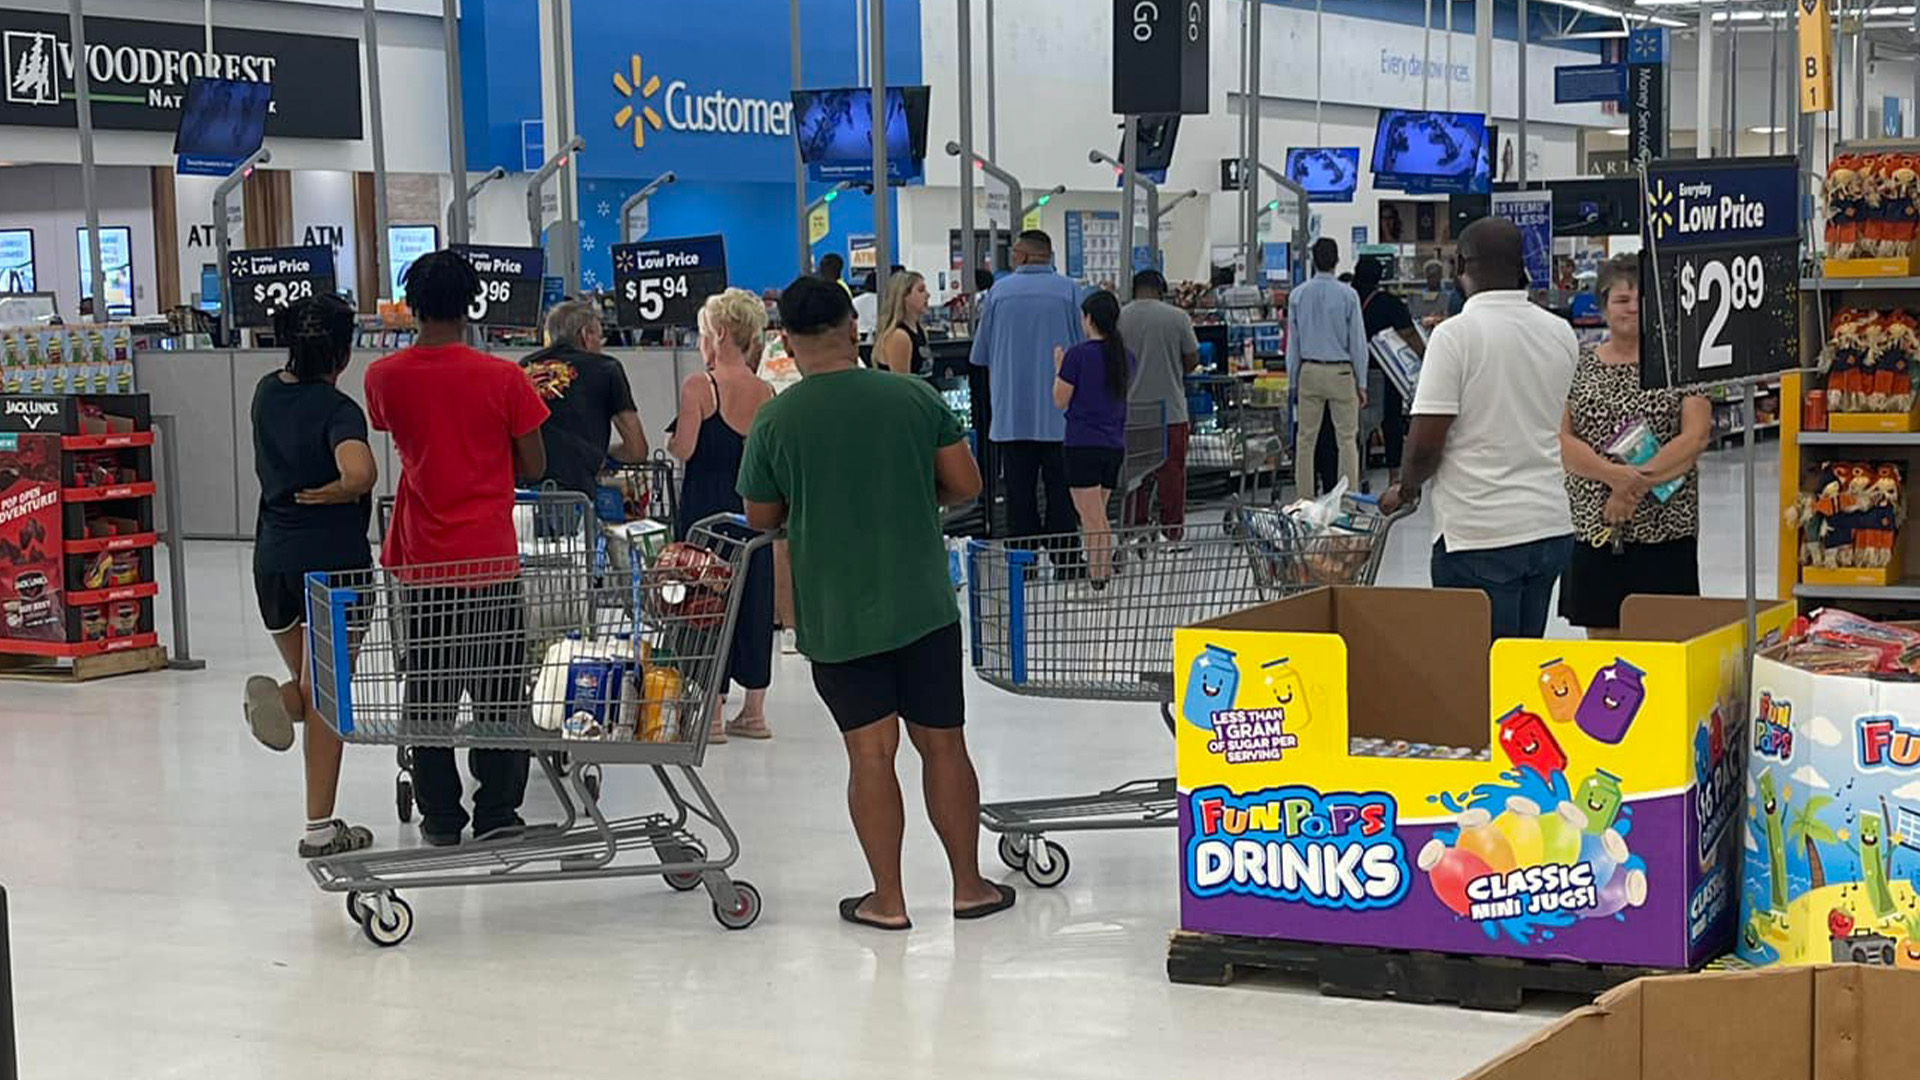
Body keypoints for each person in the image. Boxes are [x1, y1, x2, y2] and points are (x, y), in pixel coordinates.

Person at [739, 276, 1013, 931]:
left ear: (786, 341)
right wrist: (914, 498)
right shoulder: (912, 397)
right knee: (944, 746)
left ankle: (887, 900)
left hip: (836, 610)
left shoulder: (778, 417)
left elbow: (760, 516)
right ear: (853, 330)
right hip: (921, 601)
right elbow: (966, 484)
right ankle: (968, 886)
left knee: (870, 754)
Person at [365, 250, 550, 845]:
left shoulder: (384, 377)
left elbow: (400, 432)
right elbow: (535, 463)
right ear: (474, 305)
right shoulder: (504, 379)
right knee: (499, 690)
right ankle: (498, 811)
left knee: (428, 691)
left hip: (421, 559)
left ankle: (441, 816)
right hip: (489, 555)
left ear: (412, 306)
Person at [1379, 218, 1577, 641]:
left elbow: (1426, 443)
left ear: (1460, 265)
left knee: (1477, 675)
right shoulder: (1560, 332)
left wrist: (1405, 489)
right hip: (1549, 526)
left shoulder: (1454, 337)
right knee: (1519, 670)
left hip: (1480, 533)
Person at [241, 294, 378, 858]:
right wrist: (338, 491)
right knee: (326, 696)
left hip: (272, 560)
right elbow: (360, 470)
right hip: (334, 566)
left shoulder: (265, 393)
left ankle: (278, 697)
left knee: (313, 686)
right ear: (343, 352)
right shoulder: (339, 409)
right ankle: (319, 830)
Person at [1559, 253, 1710, 637]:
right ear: (1603, 306)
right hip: (1599, 530)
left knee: (1667, 644)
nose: (1632, 307)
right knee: (1604, 651)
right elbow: (1561, 438)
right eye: (1621, 299)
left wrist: (1630, 490)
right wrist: (1614, 477)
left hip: (1667, 531)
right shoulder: (1578, 365)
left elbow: (1694, 436)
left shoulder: (1679, 363)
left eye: (1641, 298)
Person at [669, 288, 777, 741]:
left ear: (720, 333)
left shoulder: (700, 385)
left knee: (703, 603)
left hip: (704, 510)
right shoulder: (766, 389)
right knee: (753, 602)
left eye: (701, 332)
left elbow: (686, 448)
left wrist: (674, 439)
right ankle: (754, 713)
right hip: (750, 509)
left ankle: (711, 713)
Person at [969, 229, 1083, 544]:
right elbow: (1084, 349)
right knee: (1061, 492)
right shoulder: (1071, 292)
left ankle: (1024, 563)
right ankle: (1065, 561)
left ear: (1022, 255)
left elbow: (979, 355)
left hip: (1011, 415)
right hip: (1061, 415)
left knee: (1019, 494)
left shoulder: (998, 294)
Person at [519, 299, 647, 497]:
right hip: (574, 491)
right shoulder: (607, 368)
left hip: (522, 495)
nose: (601, 345)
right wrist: (602, 454)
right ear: (586, 335)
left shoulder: (524, 367)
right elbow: (637, 449)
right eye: (600, 337)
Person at [1054, 290, 1135, 593]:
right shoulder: (1125, 357)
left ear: (1088, 318)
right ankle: (1097, 573)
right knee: (1098, 512)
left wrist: (1059, 368)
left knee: (1091, 517)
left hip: (1082, 444)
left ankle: (1100, 576)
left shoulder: (1077, 355)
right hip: (1113, 444)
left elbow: (1060, 400)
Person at [1119, 269, 1199, 539]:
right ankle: (1172, 533)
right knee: (1172, 476)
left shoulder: (1120, 317)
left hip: (1132, 412)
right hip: (1171, 411)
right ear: (1161, 289)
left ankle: (1135, 527)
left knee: (1134, 477)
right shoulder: (1177, 317)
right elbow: (1192, 360)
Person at [1288, 237, 1369, 497]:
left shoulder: (1297, 295)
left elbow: (1293, 344)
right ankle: (1348, 500)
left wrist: (1293, 381)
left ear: (1313, 260)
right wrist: (1362, 382)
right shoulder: (1348, 294)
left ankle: (1304, 499)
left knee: (1305, 440)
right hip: (1341, 372)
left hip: (1309, 371)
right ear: (1336, 261)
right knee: (1346, 439)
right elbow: (1357, 342)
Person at [1353, 257, 1425, 489]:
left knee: (1355, 425)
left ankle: (1354, 471)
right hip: (1387, 372)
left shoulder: (1348, 298)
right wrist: (1426, 356)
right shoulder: (1388, 302)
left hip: (1352, 371)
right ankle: (1394, 476)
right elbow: (1409, 334)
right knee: (1391, 421)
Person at [874, 270, 933, 375]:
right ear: (903, 297)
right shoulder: (899, 336)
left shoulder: (919, 330)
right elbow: (903, 385)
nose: (928, 295)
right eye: (921, 290)